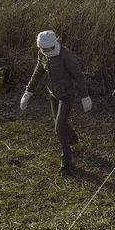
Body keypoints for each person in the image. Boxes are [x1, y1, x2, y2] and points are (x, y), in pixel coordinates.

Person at [20, 30, 92, 175]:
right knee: (59, 123)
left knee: (59, 127)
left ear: (53, 45)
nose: (44, 51)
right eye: (42, 49)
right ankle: (72, 139)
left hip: (67, 95)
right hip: (53, 94)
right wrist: (28, 93)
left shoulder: (64, 54)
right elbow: (38, 72)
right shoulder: (42, 54)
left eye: (46, 49)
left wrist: (85, 96)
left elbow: (77, 74)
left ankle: (67, 162)